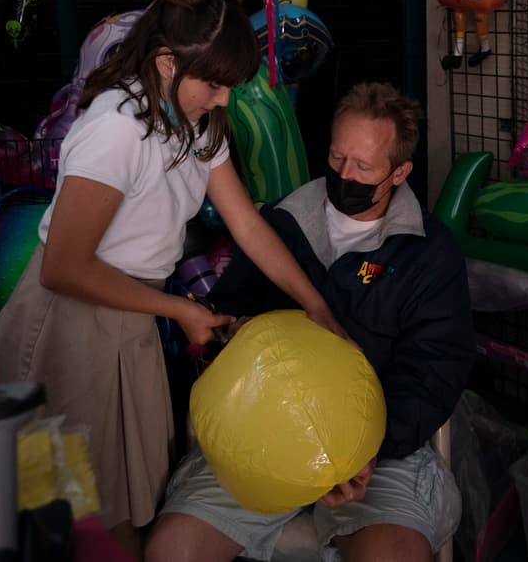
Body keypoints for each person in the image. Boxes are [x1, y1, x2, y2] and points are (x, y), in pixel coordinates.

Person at [0, 0, 342, 558]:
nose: (224, 99)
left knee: (127, 501)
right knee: (83, 511)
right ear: (167, 61)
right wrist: (179, 308)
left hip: (131, 313)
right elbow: (63, 268)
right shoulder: (115, 129)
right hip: (72, 318)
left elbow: (246, 223)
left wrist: (316, 303)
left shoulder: (198, 123)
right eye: (215, 85)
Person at [147, 82, 475, 562]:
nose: (345, 174)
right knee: (171, 551)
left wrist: (371, 447)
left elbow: (437, 366)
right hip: (263, 436)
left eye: (364, 166)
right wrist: (230, 331)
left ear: (400, 172)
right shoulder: (282, 222)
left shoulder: (427, 250)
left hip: (376, 454)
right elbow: (228, 313)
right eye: (338, 157)